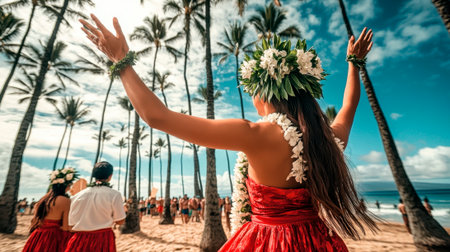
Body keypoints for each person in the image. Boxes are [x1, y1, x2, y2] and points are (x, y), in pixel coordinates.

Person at [79, 16, 377, 251]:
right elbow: (349, 105)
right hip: (317, 241)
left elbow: (157, 116)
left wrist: (121, 60)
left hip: (267, 241)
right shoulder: (328, 141)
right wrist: (355, 64)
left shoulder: (255, 134)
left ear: (266, 93)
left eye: (252, 92)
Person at [65, 161, 126, 252]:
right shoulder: (114, 194)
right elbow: (120, 221)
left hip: (79, 238)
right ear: (110, 176)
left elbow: (71, 224)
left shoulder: (76, 196)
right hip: (102, 238)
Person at [23, 167, 78, 252]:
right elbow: (66, 227)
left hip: (37, 235)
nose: (70, 188)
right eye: (70, 185)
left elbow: (35, 220)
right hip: (52, 237)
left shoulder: (43, 199)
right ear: (66, 185)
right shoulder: (65, 201)